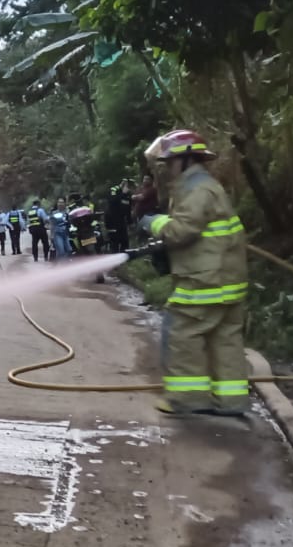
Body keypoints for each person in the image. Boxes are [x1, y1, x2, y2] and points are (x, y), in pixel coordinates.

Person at [140, 130, 249, 417]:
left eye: (170, 162)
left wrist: (154, 222)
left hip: (206, 281)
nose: (166, 168)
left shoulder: (198, 189)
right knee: (224, 340)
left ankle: (188, 398)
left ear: (186, 160)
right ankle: (231, 401)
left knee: (181, 333)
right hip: (227, 279)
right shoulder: (205, 186)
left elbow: (181, 231)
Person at [103, 181, 133, 254]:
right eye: (127, 187)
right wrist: (123, 194)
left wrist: (130, 222)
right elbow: (112, 201)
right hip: (111, 220)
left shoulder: (128, 194)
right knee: (114, 241)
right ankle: (114, 258)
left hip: (121, 220)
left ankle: (124, 257)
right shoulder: (114, 190)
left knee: (124, 240)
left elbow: (128, 208)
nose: (128, 189)